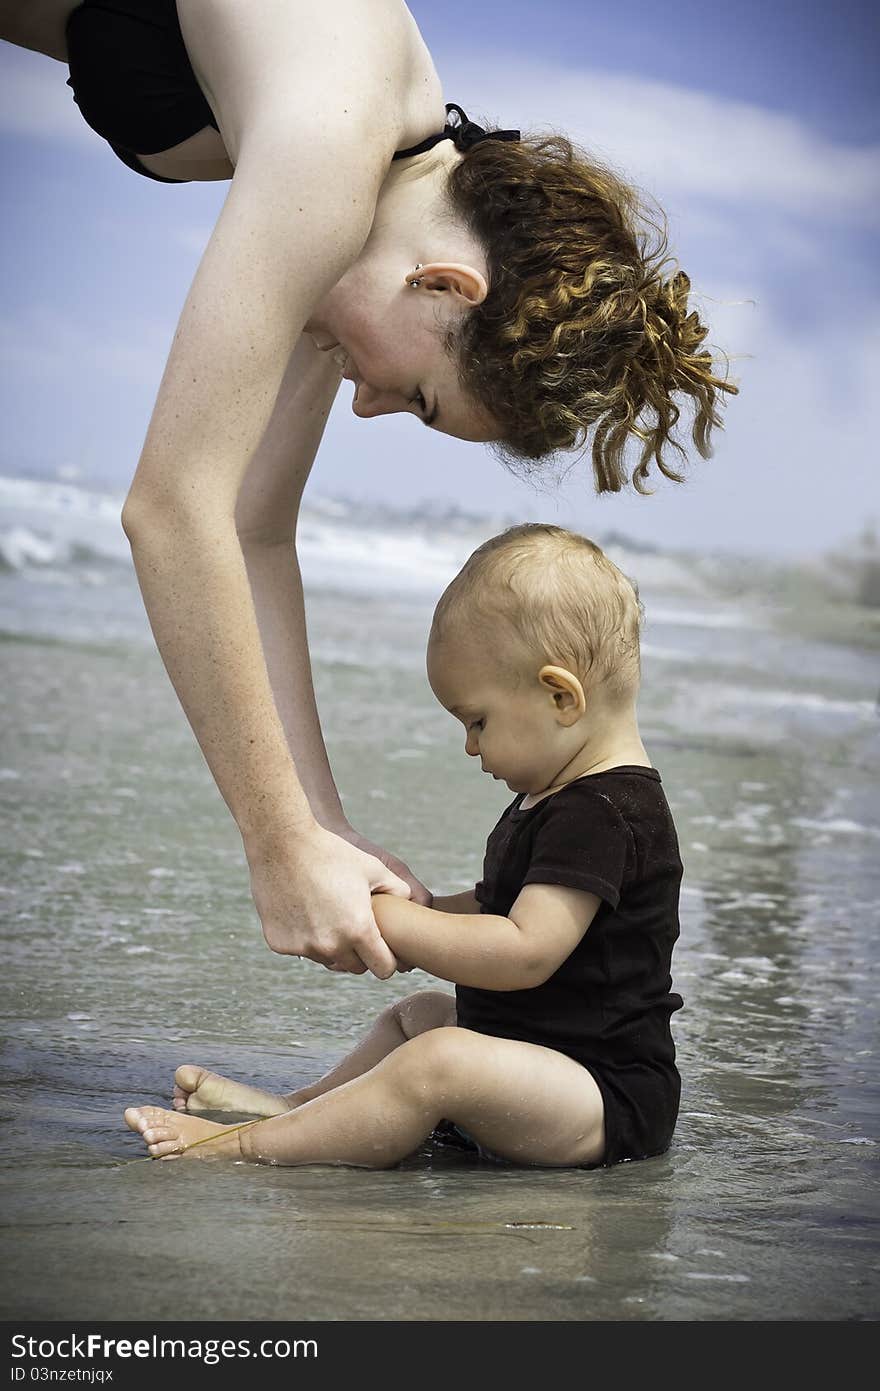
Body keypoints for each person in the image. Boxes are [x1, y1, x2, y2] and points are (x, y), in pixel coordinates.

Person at [2, 2, 730, 979]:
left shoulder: (367, 196)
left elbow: (253, 527)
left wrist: (321, 825)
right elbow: (173, 509)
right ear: (443, 286)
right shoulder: (336, 141)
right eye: (422, 398)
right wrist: (277, 847)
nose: (367, 405)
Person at [124, 524, 684, 1170]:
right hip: (536, 1060)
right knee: (416, 1018)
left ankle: (245, 1146)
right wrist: (422, 903)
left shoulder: (607, 811)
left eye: (477, 720)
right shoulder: (559, 794)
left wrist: (398, 923)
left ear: (561, 696)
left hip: (602, 1095)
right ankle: (298, 1111)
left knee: (438, 1061)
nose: (470, 746)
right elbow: (497, 907)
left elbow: (525, 950)